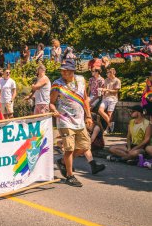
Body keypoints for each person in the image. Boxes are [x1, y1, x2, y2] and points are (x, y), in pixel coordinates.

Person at [50, 59, 93, 187]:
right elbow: (51, 102)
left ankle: (63, 162)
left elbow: (85, 98)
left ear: (72, 71)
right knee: (69, 148)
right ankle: (69, 176)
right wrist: (54, 110)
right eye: (62, 70)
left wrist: (89, 116)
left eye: (66, 71)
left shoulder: (80, 80)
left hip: (79, 120)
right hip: (65, 120)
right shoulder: (57, 84)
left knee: (85, 146)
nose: (63, 73)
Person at [98, 68, 121, 133]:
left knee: (109, 113)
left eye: (108, 73)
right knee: (100, 110)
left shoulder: (117, 80)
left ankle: (108, 129)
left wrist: (107, 90)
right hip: (105, 98)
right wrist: (102, 90)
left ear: (112, 73)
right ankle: (110, 125)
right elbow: (105, 88)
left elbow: (116, 91)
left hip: (113, 98)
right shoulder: (106, 80)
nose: (106, 74)